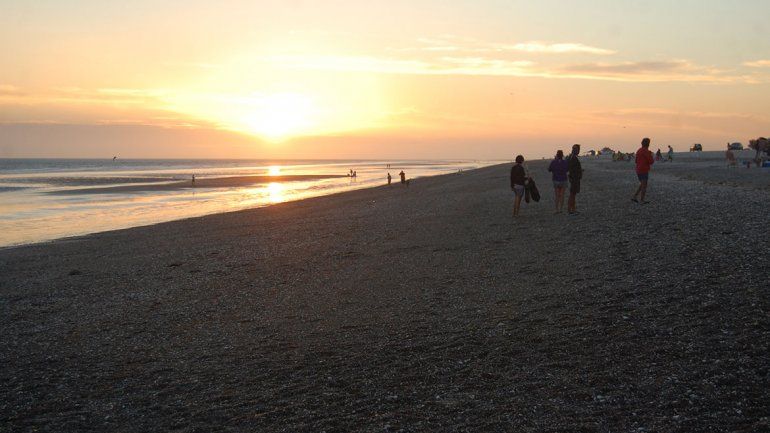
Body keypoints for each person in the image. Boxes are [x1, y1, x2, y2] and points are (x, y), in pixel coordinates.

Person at [632, 137, 655, 204]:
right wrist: (650, 155)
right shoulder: (646, 151)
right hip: (643, 170)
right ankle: (642, 200)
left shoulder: (639, 150)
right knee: (644, 185)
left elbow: (636, 161)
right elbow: (651, 161)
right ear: (648, 144)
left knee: (642, 184)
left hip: (638, 170)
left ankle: (634, 196)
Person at [566, 144, 582, 215]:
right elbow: (571, 169)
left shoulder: (571, 157)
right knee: (572, 194)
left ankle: (572, 209)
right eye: (578, 150)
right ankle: (570, 209)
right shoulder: (573, 158)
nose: (578, 151)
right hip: (574, 178)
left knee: (573, 194)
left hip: (573, 178)